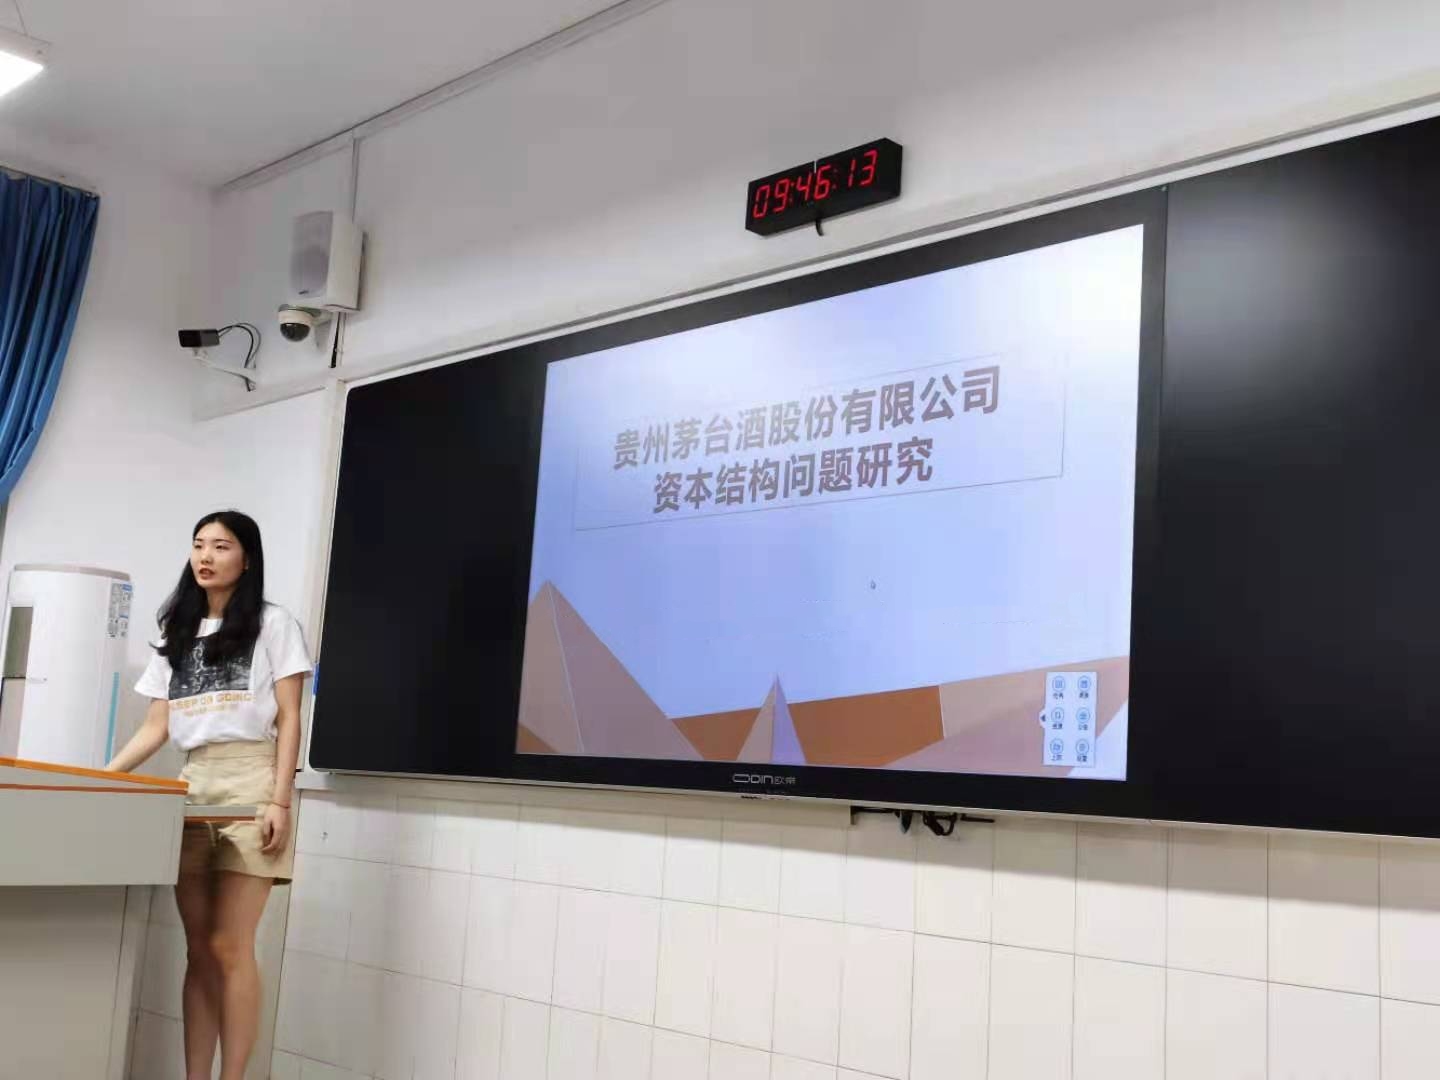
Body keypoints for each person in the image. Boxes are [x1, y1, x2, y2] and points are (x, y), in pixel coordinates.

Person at [107, 510, 311, 1080]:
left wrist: (281, 799)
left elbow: (291, 717)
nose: (206, 556)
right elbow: (156, 727)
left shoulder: (274, 624)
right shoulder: (177, 631)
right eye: (199, 544)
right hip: (192, 785)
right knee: (198, 948)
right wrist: (102, 777)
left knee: (229, 945)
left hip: (254, 780)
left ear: (246, 559)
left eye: (221, 546)